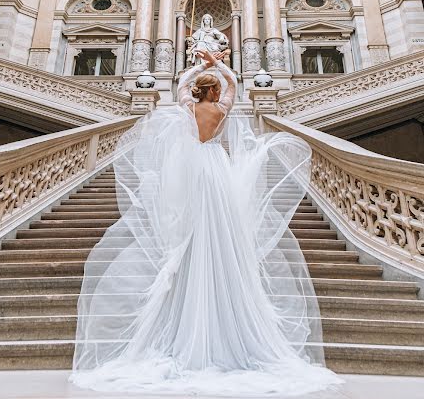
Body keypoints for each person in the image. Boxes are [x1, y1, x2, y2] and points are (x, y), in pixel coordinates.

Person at [70, 50, 343, 397]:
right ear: (214, 92)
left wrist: (199, 65)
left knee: (191, 233)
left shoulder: (186, 107)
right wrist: (220, 64)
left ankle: (183, 316)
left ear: (197, 90)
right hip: (215, 171)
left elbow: (181, 84)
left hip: (190, 173)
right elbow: (235, 84)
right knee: (223, 233)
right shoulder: (222, 109)